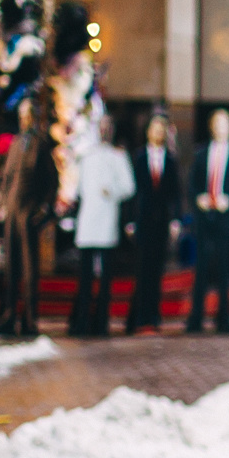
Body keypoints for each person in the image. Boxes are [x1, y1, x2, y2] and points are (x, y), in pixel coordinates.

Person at [0, 98, 57, 339]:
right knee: (11, 266)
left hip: (28, 211)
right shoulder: (15, 143)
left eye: (28, 115)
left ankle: (30, 320)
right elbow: (7, 177)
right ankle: (9, 316)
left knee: (30, 269)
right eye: (22, 115)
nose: (24, 119)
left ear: (35, 117)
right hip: (11, 210)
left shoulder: (40, 145)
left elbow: (51, 182)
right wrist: (2, 203)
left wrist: (43, 209)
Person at [68, 114, 134, 338]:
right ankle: (82, 322)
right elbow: (78, 188)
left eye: (108, 126)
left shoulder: (118, 157)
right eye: (102, 126)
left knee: (105, 280)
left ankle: (101, 324)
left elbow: (128, 186)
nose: (105, 130)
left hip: (106, 222)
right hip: (88, 223)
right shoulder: (87, 157)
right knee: (85, 279)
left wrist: (112, 191)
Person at [186, 109, 229, 335]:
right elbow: (192, 183)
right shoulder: (201, 153)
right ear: (211, 127)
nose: (221, 128)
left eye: (225, 124)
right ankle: (195, 321)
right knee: (201, 270)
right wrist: (198, 198)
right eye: (217, 124)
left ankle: (224, 321)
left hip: (224, 219)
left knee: (223, 271)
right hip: (204, 218)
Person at [126, 111, 184, 334]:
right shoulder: (138, 157)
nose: (158, 133)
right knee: (142, 270)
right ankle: (139, 318)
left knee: (157, 271)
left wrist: (176, 220)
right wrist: (130, 220)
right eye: (155, 128)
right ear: (148, 132)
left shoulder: (171, 160)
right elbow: (133, 192)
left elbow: (175, 193)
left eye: (162, 129)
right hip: (142, 221)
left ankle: (154, 317)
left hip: (161, 222)